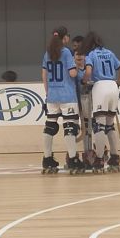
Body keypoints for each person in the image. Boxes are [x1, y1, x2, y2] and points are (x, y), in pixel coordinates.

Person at [81, 31, 120, 172]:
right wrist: (118, 83)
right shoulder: (110, 53)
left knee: (99, 126)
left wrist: (84, 81)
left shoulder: (91, 55)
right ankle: (114, 157)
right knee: (110, 126)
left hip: (100, 87)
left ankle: (99, 159)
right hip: (113, 86)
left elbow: (88, 72)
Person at [40, 26, 81, 174]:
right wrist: (78, 67)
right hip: (67, 95)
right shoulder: (66, 52)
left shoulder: (47, 53)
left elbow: (44, 75)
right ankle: (73, 159)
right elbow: (72, 74)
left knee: (50, 126)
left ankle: (47, 159)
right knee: (70, 126)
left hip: (52, 95)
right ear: (65, 38)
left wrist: (48, 93)